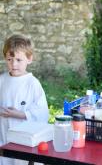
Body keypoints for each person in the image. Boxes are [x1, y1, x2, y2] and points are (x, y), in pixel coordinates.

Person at [0, 34, 49, 165]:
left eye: (18, 60)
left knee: (19, 160)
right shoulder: (2, 80)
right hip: (3, 134)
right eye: (9, 59)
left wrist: (20, 114)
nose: (13, 64)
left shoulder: (32, 83)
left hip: (23, 138)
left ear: (29, 59)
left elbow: (42, 112)